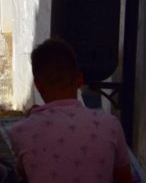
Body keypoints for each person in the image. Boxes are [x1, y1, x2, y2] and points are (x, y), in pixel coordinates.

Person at [9, 38, 133, 183]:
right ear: (80, 80)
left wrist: (31, 119)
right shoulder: (110, 125)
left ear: (37, 85)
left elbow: (27, 173)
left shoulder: (20, 131)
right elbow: (124, 179)